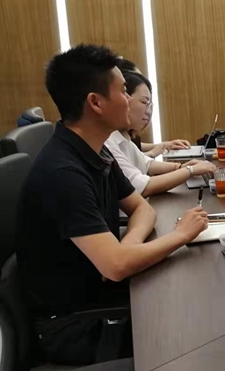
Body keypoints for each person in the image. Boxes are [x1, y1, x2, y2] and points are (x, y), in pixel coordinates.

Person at [16, 45, 210, 365]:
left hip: (102, 296)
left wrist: (126, 246)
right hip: (75, 326)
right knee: (192, 334)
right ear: (96, 103)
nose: (130, 100)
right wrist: (181, 235)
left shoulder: (97, 151)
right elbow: (116, 267)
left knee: (195, 301)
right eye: (123, 91)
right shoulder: (62, 173)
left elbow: (142, 208)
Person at [105, 71, 216, 197]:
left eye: (150, 105)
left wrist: (181, 167)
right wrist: (190, 170)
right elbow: (142, 187)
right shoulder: (107, 142)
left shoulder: (122, 138)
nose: (149, 111)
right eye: (144, 102)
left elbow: (146, 164)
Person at [115, 57, 191, 158]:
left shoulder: (125, 135)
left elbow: (134, 148)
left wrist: (165, 145)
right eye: (143, 102)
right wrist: (153, 152)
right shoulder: (109, 136)